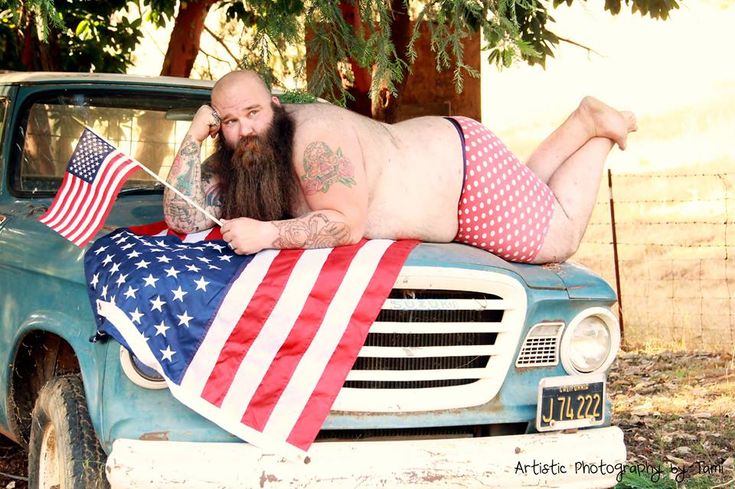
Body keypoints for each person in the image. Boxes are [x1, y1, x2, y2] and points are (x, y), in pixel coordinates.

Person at [163, 70, 637, 264]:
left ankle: (598, 133)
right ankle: (581, 124)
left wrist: (266, 235)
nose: (244, 129)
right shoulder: (244, 156)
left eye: (253, 113)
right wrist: (191, 137)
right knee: (535, 195)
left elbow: (346, 225)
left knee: (558, 238)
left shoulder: (313, 140)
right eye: (229, 121)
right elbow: (183, 217)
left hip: (461, 174)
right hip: (443, 171)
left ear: (277, 105)